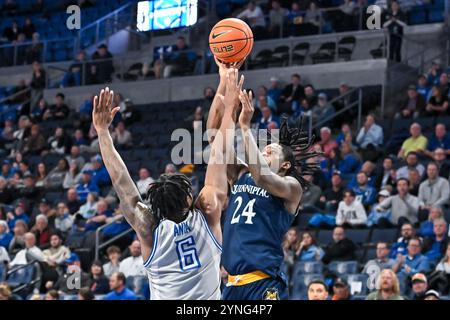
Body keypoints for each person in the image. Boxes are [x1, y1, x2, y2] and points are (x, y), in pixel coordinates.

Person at [93, 79, 230, 299]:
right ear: (188, 200)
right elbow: (219, 150)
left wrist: (102, 132)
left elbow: (122, 183)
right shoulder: (207, 212)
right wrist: (226, 87)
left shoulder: (148, 229)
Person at [209, 67, 319, 299]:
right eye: (263, 149)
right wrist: (224, 87)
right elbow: (212, 137)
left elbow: (262, 177)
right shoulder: (240, 173)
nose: (264, 152)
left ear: (286, 165)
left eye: (270, 151)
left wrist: (245, 126)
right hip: (231, 285)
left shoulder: (291, 187)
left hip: (263, 283)